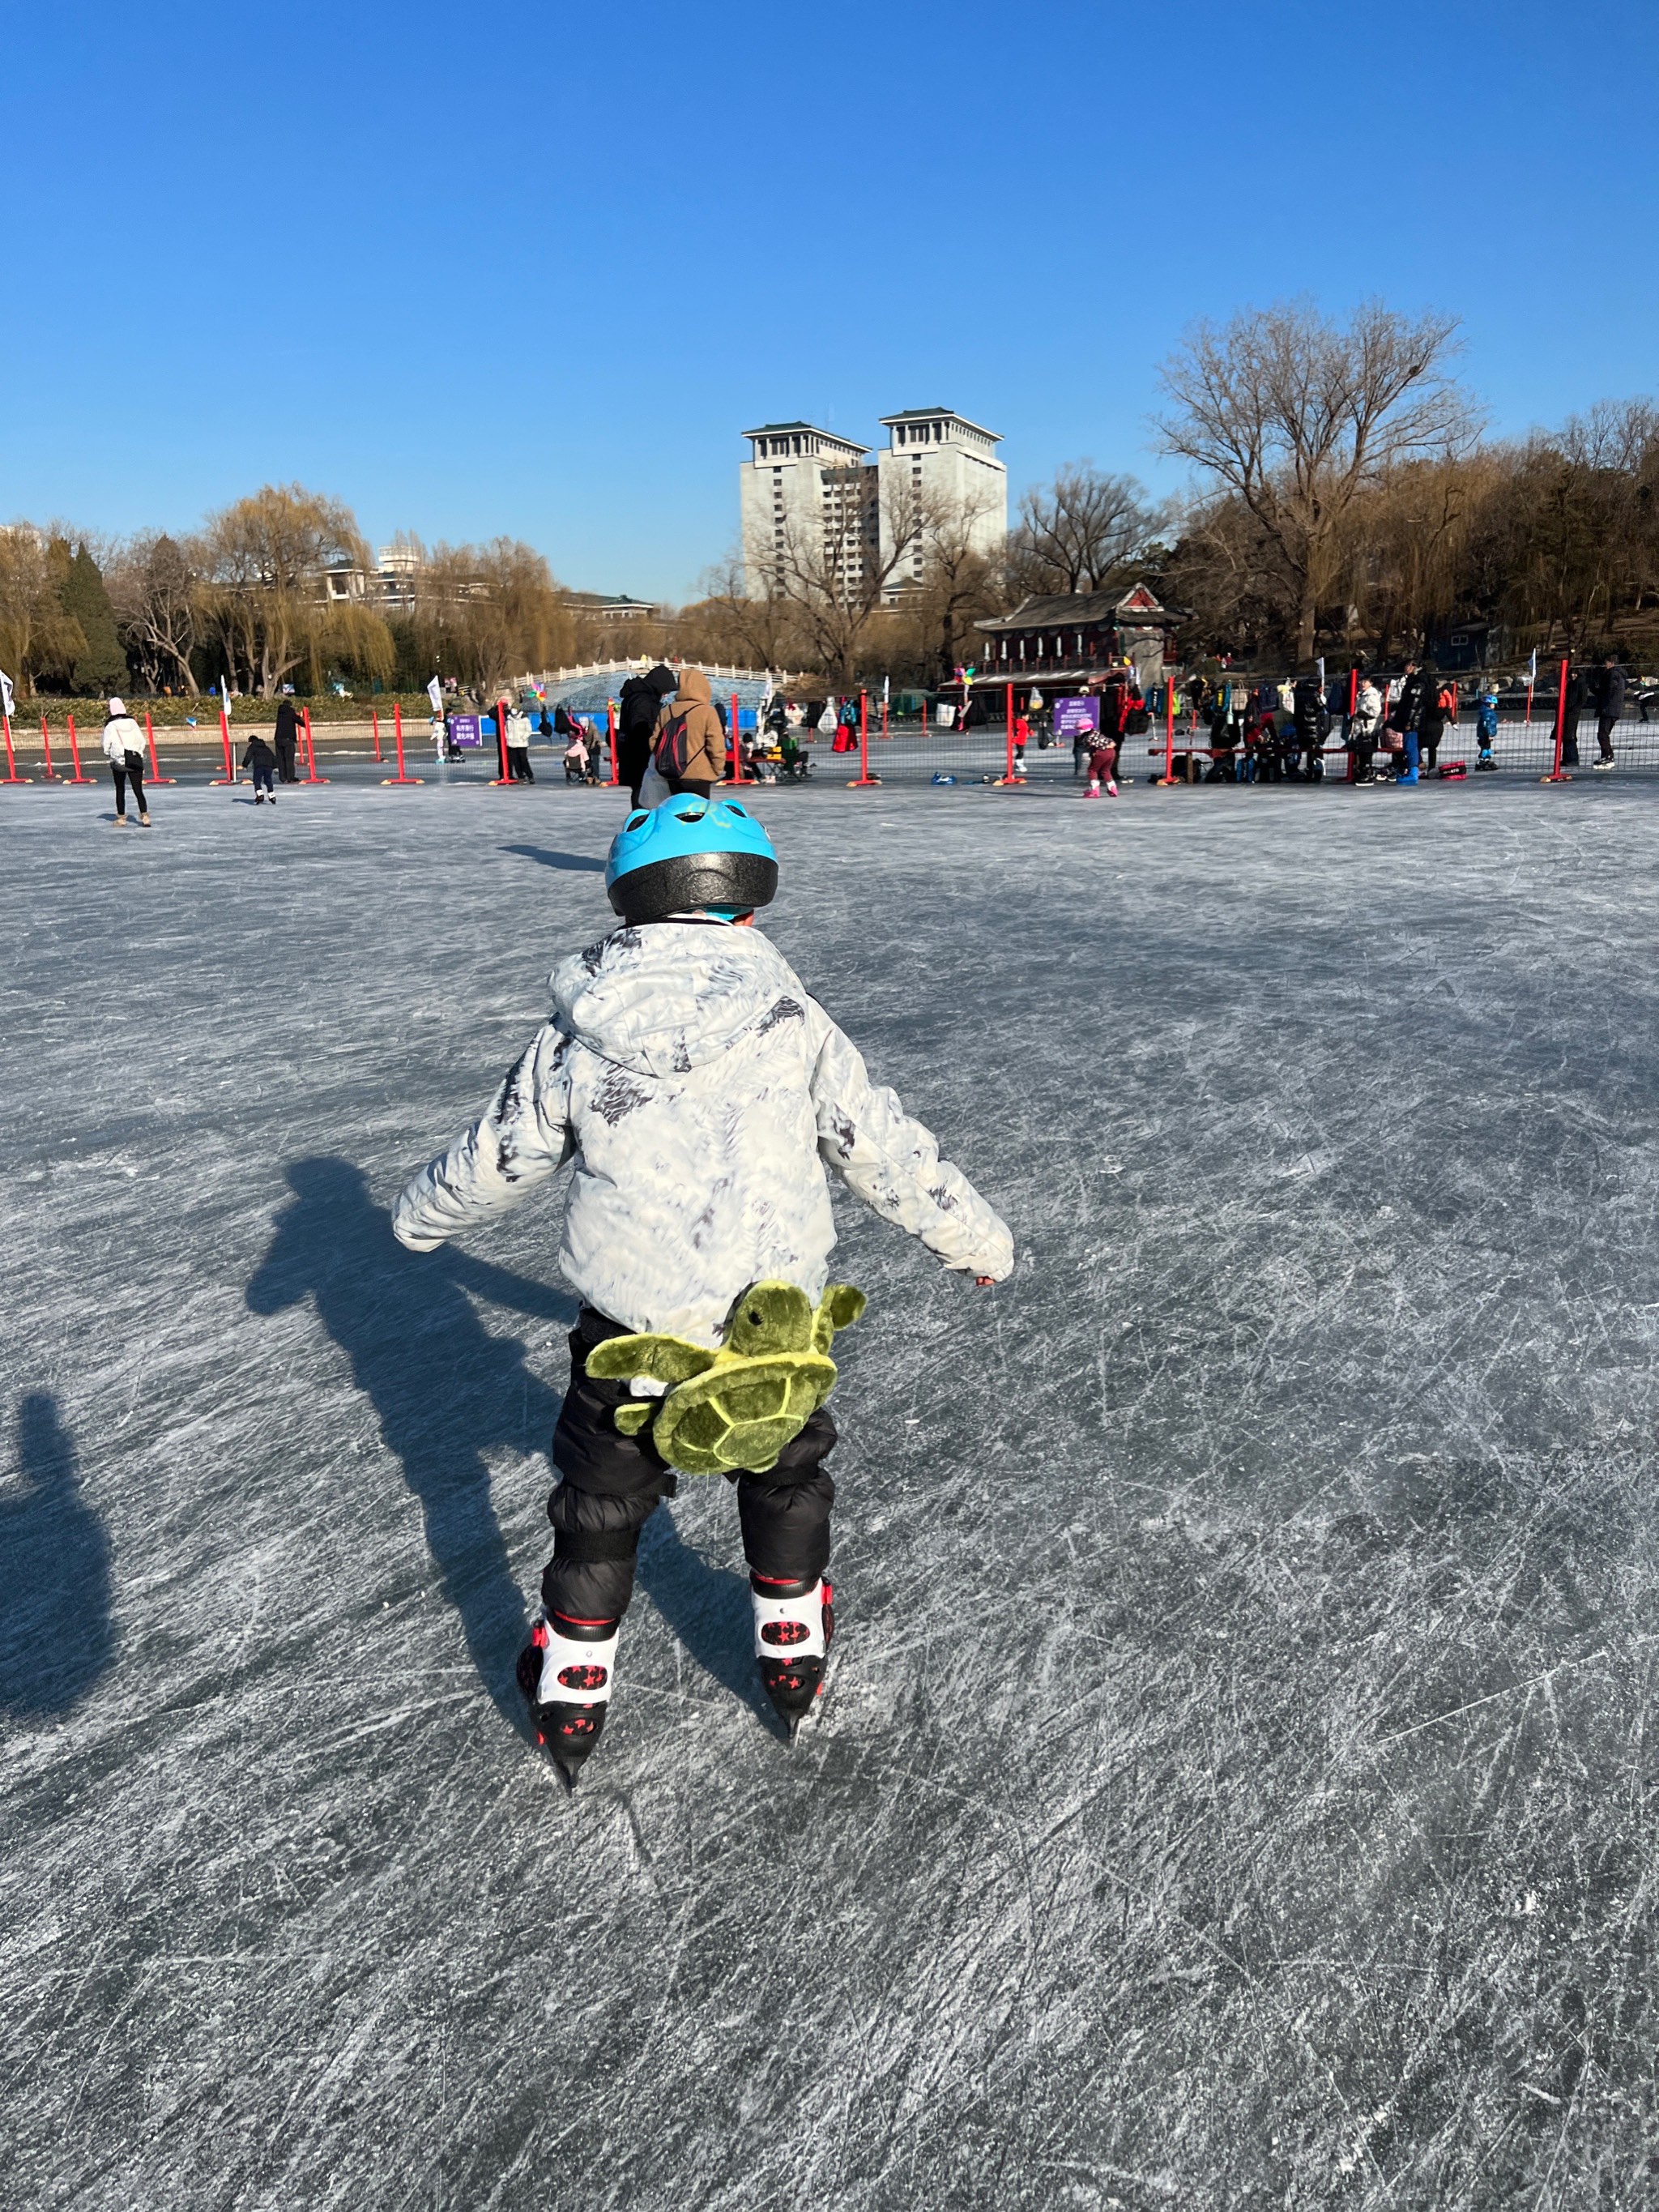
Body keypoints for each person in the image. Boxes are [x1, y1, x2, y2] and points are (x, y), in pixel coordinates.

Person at [391, 798, 1013, 1779]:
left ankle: (573, 1684)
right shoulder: (791, 1020)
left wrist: (419, 1218)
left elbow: (498, 1155)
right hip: (773, 1332)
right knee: (787, 1475)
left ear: (630, 907)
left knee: (599, 1508)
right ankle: (791, 1639)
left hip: (632, 1337)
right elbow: (879, 1149)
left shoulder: (578, 1032)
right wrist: (977, 1240)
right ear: (748, 909)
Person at [644, 668, 729, 804]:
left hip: (672, 774)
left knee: (676, 816)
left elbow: (654, 742)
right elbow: (716, 745)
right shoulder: (708, 712)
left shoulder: (667, 711)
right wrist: (716, 769)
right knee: (698, 818)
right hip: (701, 775)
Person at [616, 664, 677, 807]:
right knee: (642, 799)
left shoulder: (639, 696)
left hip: (635, 756)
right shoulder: (642, 700)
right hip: (639, 758)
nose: (666, 694)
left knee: (642, 795)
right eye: (666, 690)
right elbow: (640, 728)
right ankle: (641, 825)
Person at [100, 698, 150, 826]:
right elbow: (142, 741)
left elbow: (106, 744)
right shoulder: (133, 723)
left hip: (119, 760)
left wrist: (110, 753)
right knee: (138, 790)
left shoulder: (110, 725)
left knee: (120, 789)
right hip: (135, 759)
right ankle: (145, 816)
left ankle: (121, 818)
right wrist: (137, 752)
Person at [1388, 661, 1428, 784]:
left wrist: (1409, 721)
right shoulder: (1411, 681)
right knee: (1408, 746)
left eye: (1408, 665)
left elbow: (1414, 704)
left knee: (1411, 746)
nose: (1406, 668)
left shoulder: (1417, 682)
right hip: (1409, 718)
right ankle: (1408, 770)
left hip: (1412, 720)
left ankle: (1413, 772)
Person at [1594, 655, 1625, 771]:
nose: (1604, 665)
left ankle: (1608, 757)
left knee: (1602, 734)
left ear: (1611, 663)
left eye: (1606, 662)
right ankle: (1606, 756)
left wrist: (1605, 705)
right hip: (1612, 708)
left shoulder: (1613, 674)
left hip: (1609, 708)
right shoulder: (1617, 674)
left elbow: (1609, 691)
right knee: (1603, 734)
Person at [1350, 676, 1384, 782]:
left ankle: (1367, 773)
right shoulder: (1362, 695)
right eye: (1361, 681)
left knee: (1366, 751)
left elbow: (1376, 711)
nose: (1362, 683)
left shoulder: (1371, 695)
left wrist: (1365, 714)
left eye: (1366, 681)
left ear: (1371, 683)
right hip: (1360, 727)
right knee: (1360, 750)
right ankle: (1360, 771)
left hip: (1368, 728)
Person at [1555, 661, 1585, 769]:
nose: (1573, 675)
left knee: (1569, 735)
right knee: (1565, 735)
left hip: (1572, 713)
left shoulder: (1581, 683)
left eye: (1575, 673)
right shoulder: (1571, 684)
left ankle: (1573, 759)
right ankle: (1567, 758)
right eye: (1572, 673)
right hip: (1566, 712)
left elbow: (1582, 699)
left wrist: (1574, 708)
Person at [242, 728, 278, 805]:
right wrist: (275, 767)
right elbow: (273, 757)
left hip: (259, 766)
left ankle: (260, 795)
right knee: (268, 780)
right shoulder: (266, 748)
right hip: (269, 766)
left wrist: (245, 765)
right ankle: (272, 796)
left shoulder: (252, 747)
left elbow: (248, 756)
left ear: (251, 742)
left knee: (257, 780)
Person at [505, 702, 535, 784]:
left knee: (523, 760)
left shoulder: (524, 719)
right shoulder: (509, 719)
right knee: (515, 761)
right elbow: (506, 730)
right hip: (512, 743)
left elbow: (528, 730)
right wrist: (508, 737)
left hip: (522, 743)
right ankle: (521, 776)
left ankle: (530, 775)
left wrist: (523, 737)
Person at [273, 698, 301, 784]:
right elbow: (297, 720)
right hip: (288, 739)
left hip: (278, 738)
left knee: (281, 759)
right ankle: (290, 777)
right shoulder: (290, 711)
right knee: (289, 759)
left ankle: (283, 778)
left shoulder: (280, 712)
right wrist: (305, 722)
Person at [1474, 679, 1499, 770]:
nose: (1494, 706)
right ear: (1489, 704)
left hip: (1484, 735)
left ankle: (1486, 760)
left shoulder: (1488, 712)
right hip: (1485, 735)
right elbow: (1487, 724)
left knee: (1487, 748)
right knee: (1485, 748)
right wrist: (1489, 734)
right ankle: (1482, 761)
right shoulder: (1487, 713)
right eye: (1493, 704)